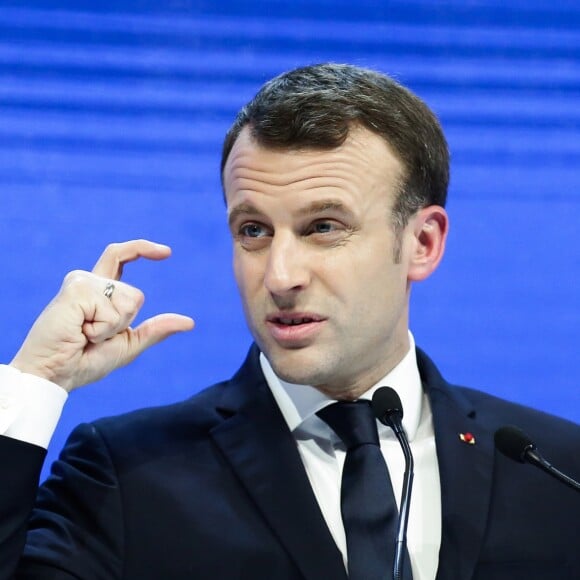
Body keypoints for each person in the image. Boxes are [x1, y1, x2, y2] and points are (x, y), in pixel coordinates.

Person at [1, 64, 579, 580]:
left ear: (422, 243)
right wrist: (35, 379)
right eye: (253, 230)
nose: (279, 276)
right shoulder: (127, 475)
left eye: (323, 227)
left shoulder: (555, 470)